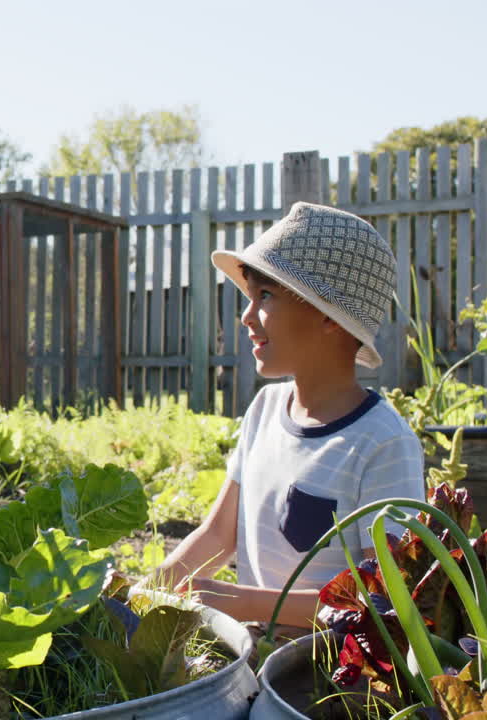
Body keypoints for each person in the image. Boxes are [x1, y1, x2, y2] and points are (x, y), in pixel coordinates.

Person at [149, 201, 424, 631]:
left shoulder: (382, 444)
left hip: (321, 681)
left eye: (265, 296)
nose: (245, 316)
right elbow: (220, 535)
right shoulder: (265, 410)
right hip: (252, 657)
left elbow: (384, 599)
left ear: (329, 316)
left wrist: (239, 602)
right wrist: (144, 593)